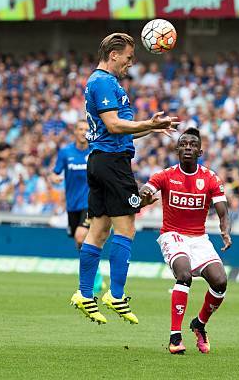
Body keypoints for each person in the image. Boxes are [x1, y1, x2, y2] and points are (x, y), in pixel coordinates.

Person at [69, 32, 178, 325]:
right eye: (129, 57)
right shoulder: (103, 81)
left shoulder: (105, 82)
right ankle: (115, 295)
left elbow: (120, 127)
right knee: (126, 228)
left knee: (99, 229)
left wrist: (152, 127)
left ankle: (83, 293)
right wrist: (146, 124)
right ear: (114, 54)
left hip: (101, 160)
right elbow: (115, 125)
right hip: (113, 163)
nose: (130, 63)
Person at [140, 127, 232, 354]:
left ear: (200, 151)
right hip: (173, 235)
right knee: (184, 274)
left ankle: (199, 324)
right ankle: (175, 336)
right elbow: (147, 189)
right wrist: (144, 195)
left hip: (199, 238)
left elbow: (222, 210)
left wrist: (225, 231)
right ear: (177, 150)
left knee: (220, 281)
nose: (188, 147)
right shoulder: (165, 175)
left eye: (192, 145)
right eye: (183, 144)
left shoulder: (210, 178)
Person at [51, 120, 104, 294]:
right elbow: (55, 173)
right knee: (80, 242)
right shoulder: (66, 152)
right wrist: (54, 179)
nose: (83, 132)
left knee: (81, 236)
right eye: (80, 129)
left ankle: (92, 280)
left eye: (86, 129)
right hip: (72, 205)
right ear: (75, 132)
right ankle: (96, 274)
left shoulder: (95, 150)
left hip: (90, 202)